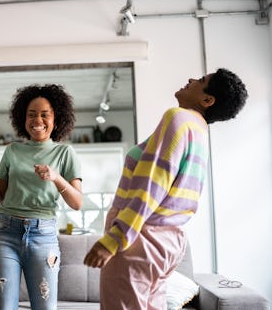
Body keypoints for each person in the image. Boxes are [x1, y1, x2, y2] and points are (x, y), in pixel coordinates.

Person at [84, 68, 248, 310]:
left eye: (201, 81)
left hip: (139, 239)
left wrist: (114, 238)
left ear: (207, 100)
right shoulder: (200, 131)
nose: (191, 79)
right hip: (168, 242)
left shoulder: (178, 118)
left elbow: (152, 184)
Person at [0, 84, 83, 310]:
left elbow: (77, 202)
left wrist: (56, 178)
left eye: (44, 114)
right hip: (5, 233)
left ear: (56, 119)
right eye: (31, 114)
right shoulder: (12, 151)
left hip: (44, 235)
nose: (37, 120)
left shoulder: (64, 153)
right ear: (23, 118)